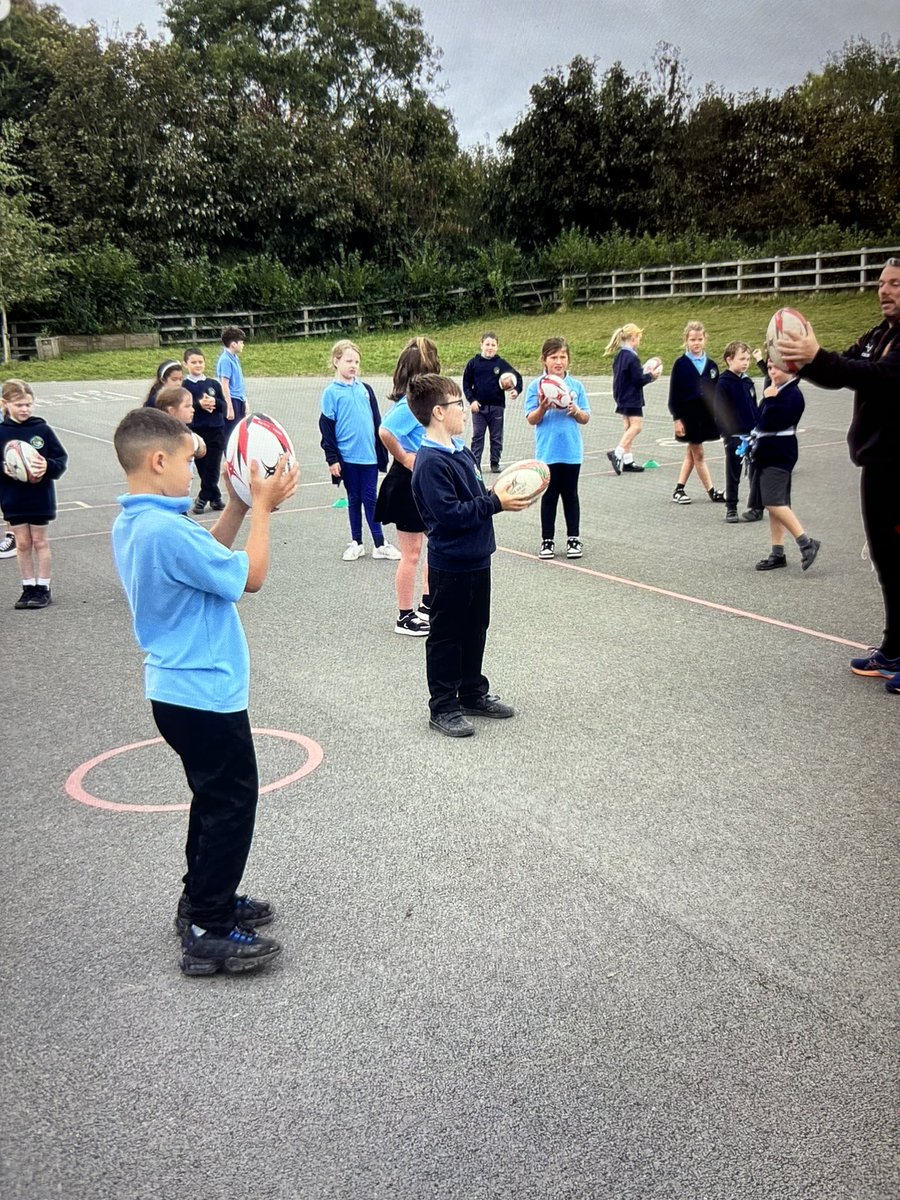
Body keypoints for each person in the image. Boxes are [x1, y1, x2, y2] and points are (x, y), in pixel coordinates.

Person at [111, 406, 299, 975]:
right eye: (191, 462)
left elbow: (210, 559)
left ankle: (202, 896)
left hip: (178, 691)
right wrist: (263, 511)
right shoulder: (166, 530)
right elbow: (250, 577)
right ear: (158, 460)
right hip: (204, 693)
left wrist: (240, 504)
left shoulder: (140, 522)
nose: (198, 471)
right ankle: (209, 927)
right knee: (231, 805)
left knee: (211, 800)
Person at [775, 257, 900, 693]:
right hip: (878, 464)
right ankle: (894, 647)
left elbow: (881, 376)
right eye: (882, 283)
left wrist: (817, 358)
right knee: (887, 559)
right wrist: (804, 361)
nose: (884, 291)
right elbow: (843, 369)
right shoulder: (879, 335)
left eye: (895, 284)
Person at [409, 373, 530, 737]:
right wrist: (495, 502)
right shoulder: (430, 462)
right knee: (447, 635)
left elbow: (473, 496)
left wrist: (497, 491)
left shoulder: (460, 450)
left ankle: (471, 692)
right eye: (458, 404)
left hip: (478, 558)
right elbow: (450, 515)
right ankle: (443, 706)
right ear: (439, 413)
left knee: (476, 629)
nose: (464, 409)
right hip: (451, 564)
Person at [375, 336, 440, 635]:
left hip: (426, 481)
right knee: (411, 553)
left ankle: (429, 603)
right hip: (406, 483)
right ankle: (405, 615)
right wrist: (403, 456)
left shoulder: (428, 403)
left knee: (437, 544)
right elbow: (385, 429)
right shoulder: (408, 406)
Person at [319, 338, 399, 561]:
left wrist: (382, 450)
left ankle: (379, 544)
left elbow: (376, 421)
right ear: (336, 362)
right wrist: (332, 458)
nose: (353, 365)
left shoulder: (366, 389)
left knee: (371, 498)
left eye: (356, 361)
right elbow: (327, 428)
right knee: (355, 498)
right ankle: (357, 542)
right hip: (348, 457)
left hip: (369, 457)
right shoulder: (331, 393)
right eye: (348, 361)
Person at [0, 378, 68, 609]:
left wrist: (47, 466)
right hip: (13, 497)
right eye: (19, 405)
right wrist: (4, 468)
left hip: (39, 496)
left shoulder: (41, 429)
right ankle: (28, 586)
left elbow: (60, 460)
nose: (25, 409)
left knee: (39, 541)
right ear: (5, 404)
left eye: (28, 404)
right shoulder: (1, 432)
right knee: (21, 543)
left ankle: (43, 587)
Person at [524, 337, 590, 559]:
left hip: (571, 451)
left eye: (563, 357)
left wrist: (577, 411)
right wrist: (542, 408)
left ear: (568, 360)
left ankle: (573, 539)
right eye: (553, 357)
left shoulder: (576, 386)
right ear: (544, 360)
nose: (558, 361)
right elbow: (531, 419)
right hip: (547, 451)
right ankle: (547, 541)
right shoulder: (536, 386)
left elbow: (585, 417)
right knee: (550, 495)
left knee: (570, 495)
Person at [751, 360, 820, 572]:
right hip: (766, 452)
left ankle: (806, 543)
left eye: (777, 368)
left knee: (773, 503)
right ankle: (777, 552)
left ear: (790, 370)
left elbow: (770, 421)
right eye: (770, 368)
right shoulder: (776, 390)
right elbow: (758, 417)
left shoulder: (792, 395)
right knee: (775, 503)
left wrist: (769, 400)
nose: (772, 372)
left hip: (779, 453)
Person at [668, 321, 726, 504]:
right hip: (688, 415)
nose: (696, 343)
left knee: (691, 453)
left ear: (705, 340)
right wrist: (677, 419)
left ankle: (679, 489)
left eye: (699, 339)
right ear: (686, 340)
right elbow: (674, 394)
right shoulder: (681, 364)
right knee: (698, 452)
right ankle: (711, 491)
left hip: (705, 415)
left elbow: (716, 393)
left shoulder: (712, 366)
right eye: (692, 339)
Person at [462, 332, 523, 473]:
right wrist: (472, 401)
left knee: (496, 436)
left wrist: (516, 389)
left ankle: (495, 462)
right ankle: (475, 463)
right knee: (478, 436)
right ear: (481, 345)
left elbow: (517, 377)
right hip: (479, 408)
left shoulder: (500, 363)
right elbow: (466, 384)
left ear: (497, 347)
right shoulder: (473, 363)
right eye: (487, 344)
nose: (490, 347)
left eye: (493, 345)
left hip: (497, 406)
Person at [604, 323, 661, 474]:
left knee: (628, 427)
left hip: (621, 395)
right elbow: (638, 380)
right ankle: (617, 453)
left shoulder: (620, 356)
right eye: (638, 338)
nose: (639, 341)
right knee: (637, 426)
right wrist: (650, 376)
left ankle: (628, 460)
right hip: (631, 396)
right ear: (633, 338)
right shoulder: (632, 358)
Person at [714, 341, 760, 524]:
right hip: (734, 435)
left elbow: (754, 405)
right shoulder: (723, 383)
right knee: (733, 471)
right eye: (742, 359)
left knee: (756, 470)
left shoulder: (748, 381)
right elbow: (720, 410)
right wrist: (726, 432)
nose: (746, 362)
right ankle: (731, 506)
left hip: (752, 433)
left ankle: (756, 506)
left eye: (748, 359)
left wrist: (758, 425)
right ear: (729, 360)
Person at [182, 346, 226, 513]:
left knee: (213, 466)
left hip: (216, 430)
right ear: (186, 364)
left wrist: (214, 403)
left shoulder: (213, 384)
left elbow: (223, 405)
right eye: (193, 362)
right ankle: (215, 497)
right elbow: (184, 407)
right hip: (197, 431)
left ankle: (202, 497)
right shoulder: (185, 386)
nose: (198, 365)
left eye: (200, 362)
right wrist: (199, 405)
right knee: (202, 467)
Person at [153, 383, 207, 459]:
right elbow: (202, 450)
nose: (193, 410)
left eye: (191, 406)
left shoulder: (184, 431)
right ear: (171, 410)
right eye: (187, 406)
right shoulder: (177, 436)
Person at [217, 325, 247, 443]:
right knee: (231, 433)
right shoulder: (225, 360)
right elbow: (224, 384)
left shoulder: (235, 358)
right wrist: (229, 406)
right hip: (232, 399)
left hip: (239, 398)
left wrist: (244, 400)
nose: (242, 345)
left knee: (240, 431)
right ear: (233, 344)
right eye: (241, 342)